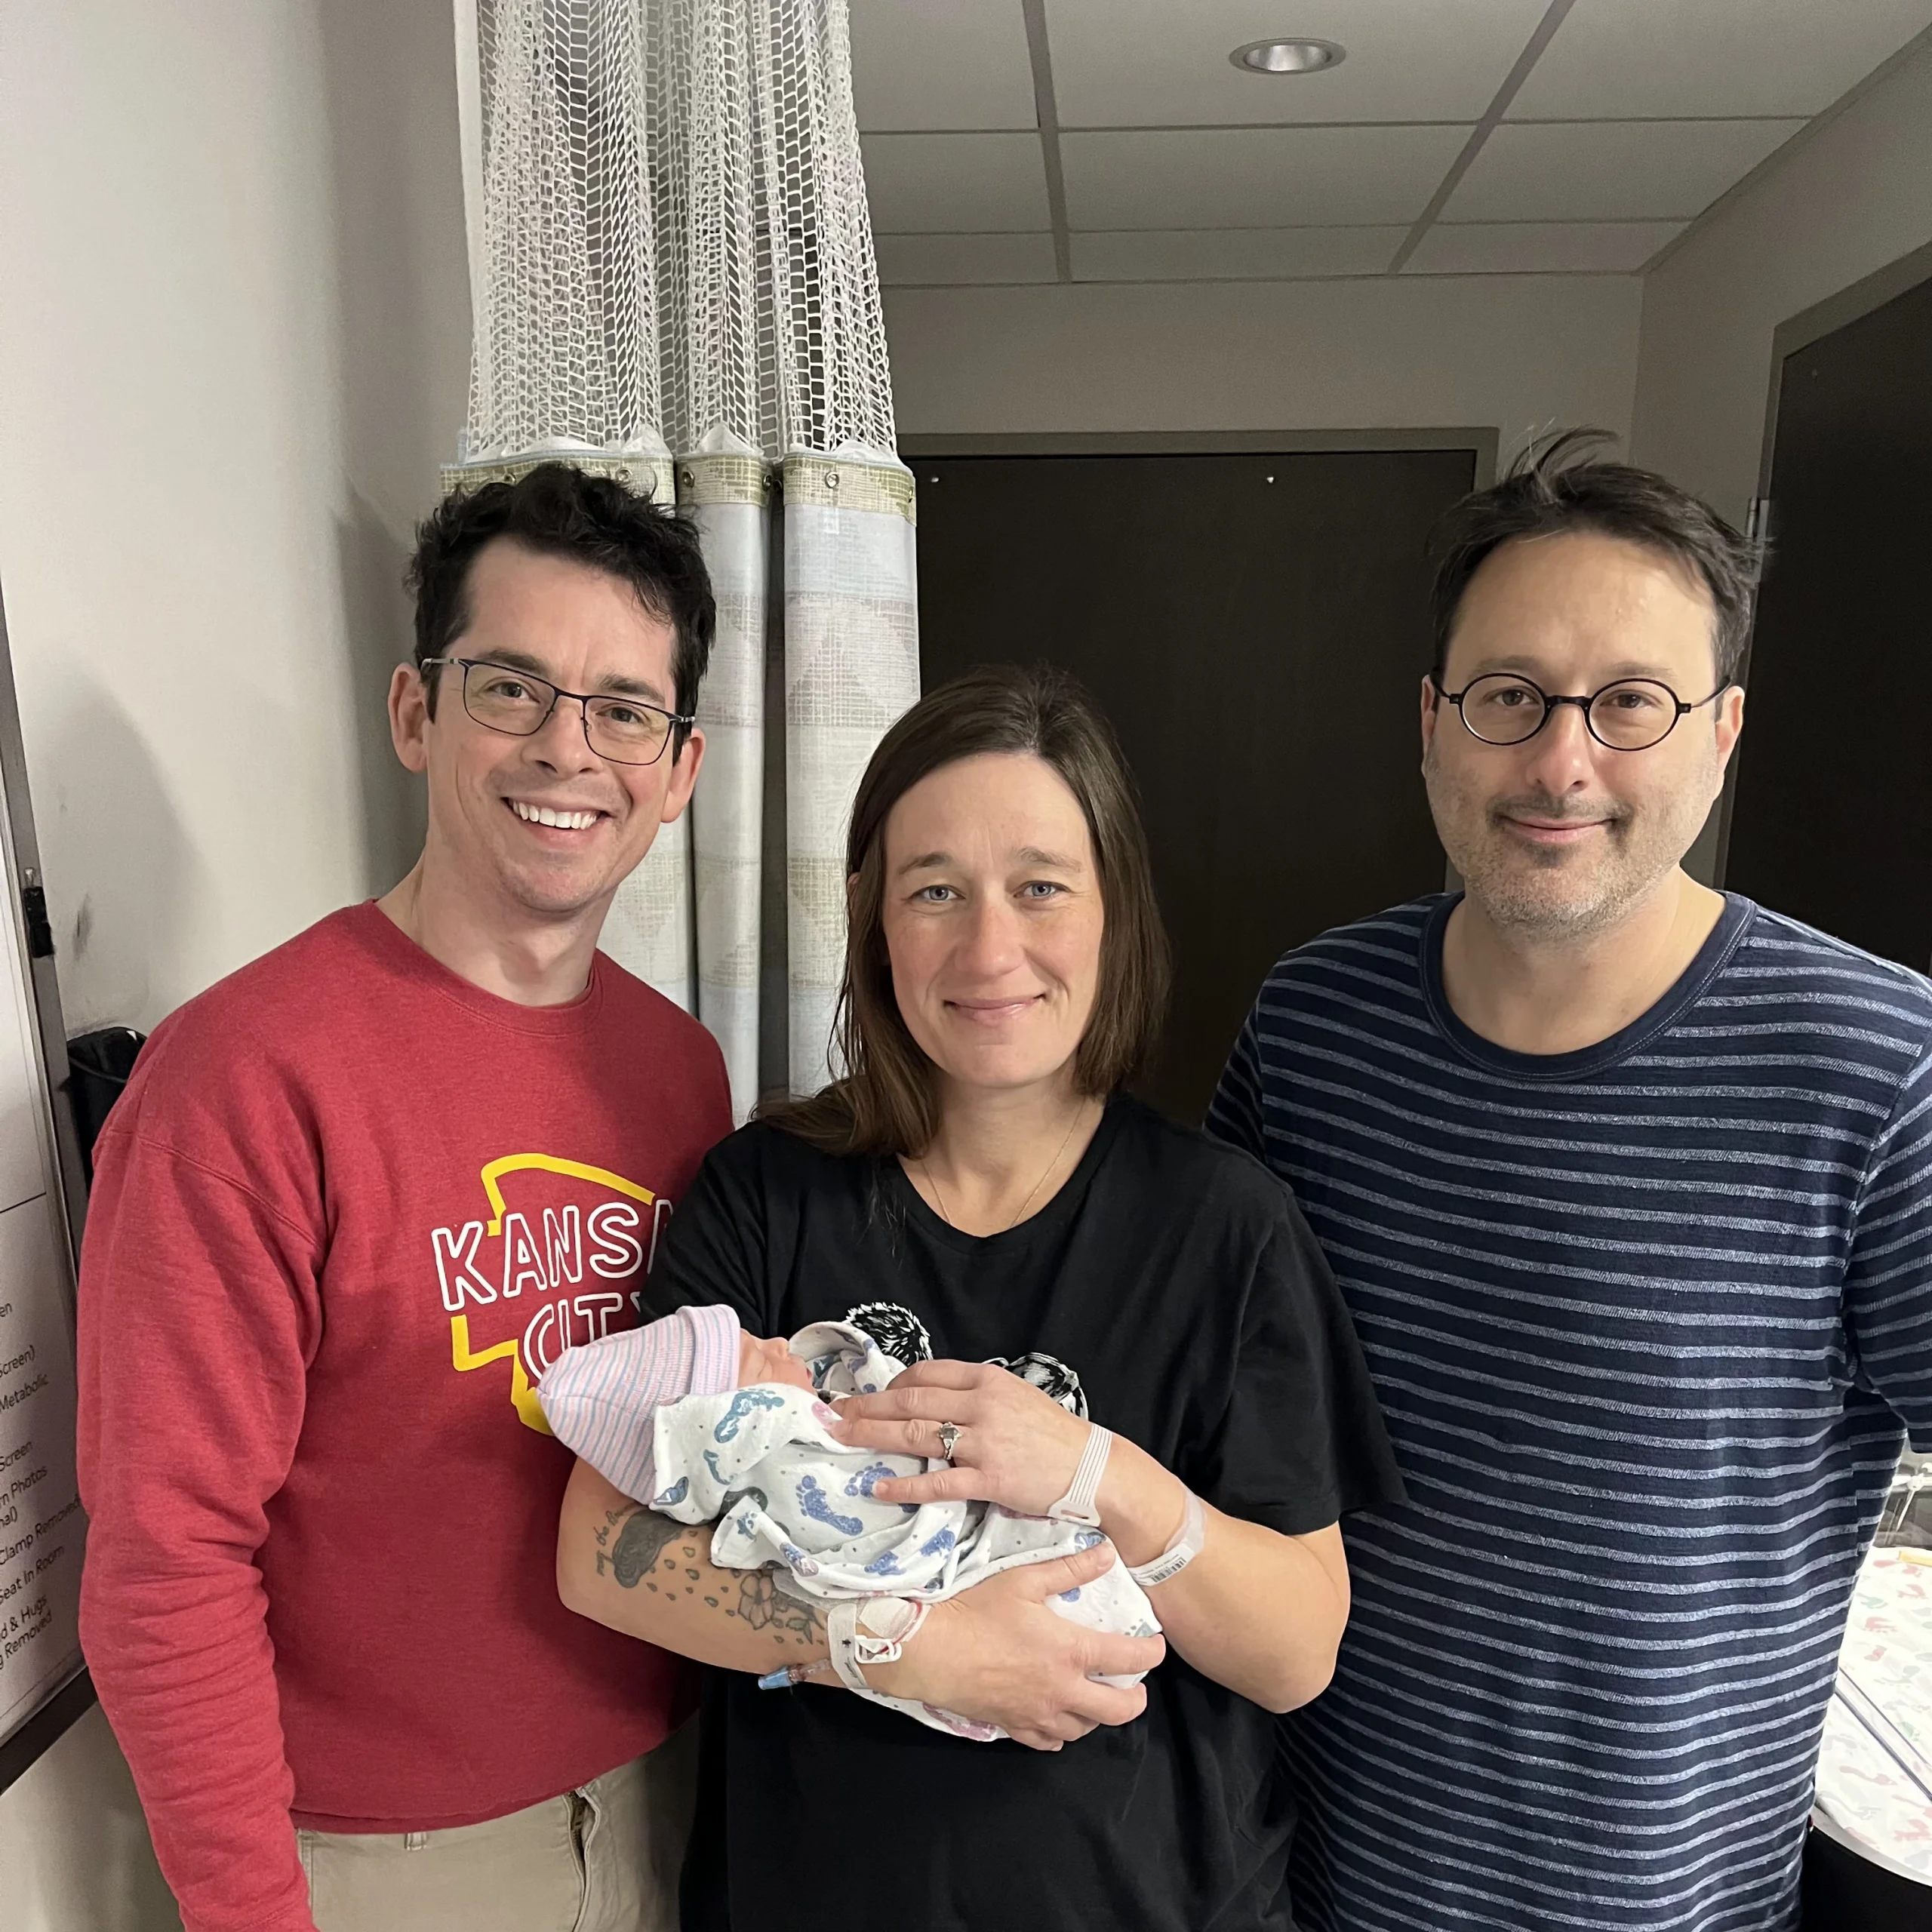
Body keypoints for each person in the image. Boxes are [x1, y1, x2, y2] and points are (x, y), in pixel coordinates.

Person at [1209, 432, 1932, 1932]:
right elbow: (1200, 1385)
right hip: (1303, 1869)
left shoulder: (1877, 1066)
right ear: (1429, 722)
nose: (1559, 758)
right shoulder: (1309, 1020)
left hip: (1657, 1903)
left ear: (1719, 731)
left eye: (1628, 702)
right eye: (1508, 695)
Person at [555, 662, 1404, 1931]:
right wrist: (896, 1644)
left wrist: (1095, 1476)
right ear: (871, 917)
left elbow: (1296, 1653)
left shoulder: (1225, 1227)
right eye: (935, 891)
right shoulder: (766, 1196)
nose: (990, 948)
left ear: (1113, 909)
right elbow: (600, 1558)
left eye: (1041, 889)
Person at [77, 463, 731, 1932]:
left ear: (679, 767)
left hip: (663, 1795)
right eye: (511, 686)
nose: (570, 749)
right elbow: (162, 1559)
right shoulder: (244, 1077)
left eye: (625, 707)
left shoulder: (678, 1073)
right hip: (372, 1861)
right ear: (416, 712)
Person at [538, 1308, 1161, 1739]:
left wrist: (1092, 1470)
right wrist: (931, 1647)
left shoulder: (1222, 1214)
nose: (780, 1345)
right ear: (733, 1421)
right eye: (756, 1361)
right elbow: (596, 1569)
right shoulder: (782, 1451)